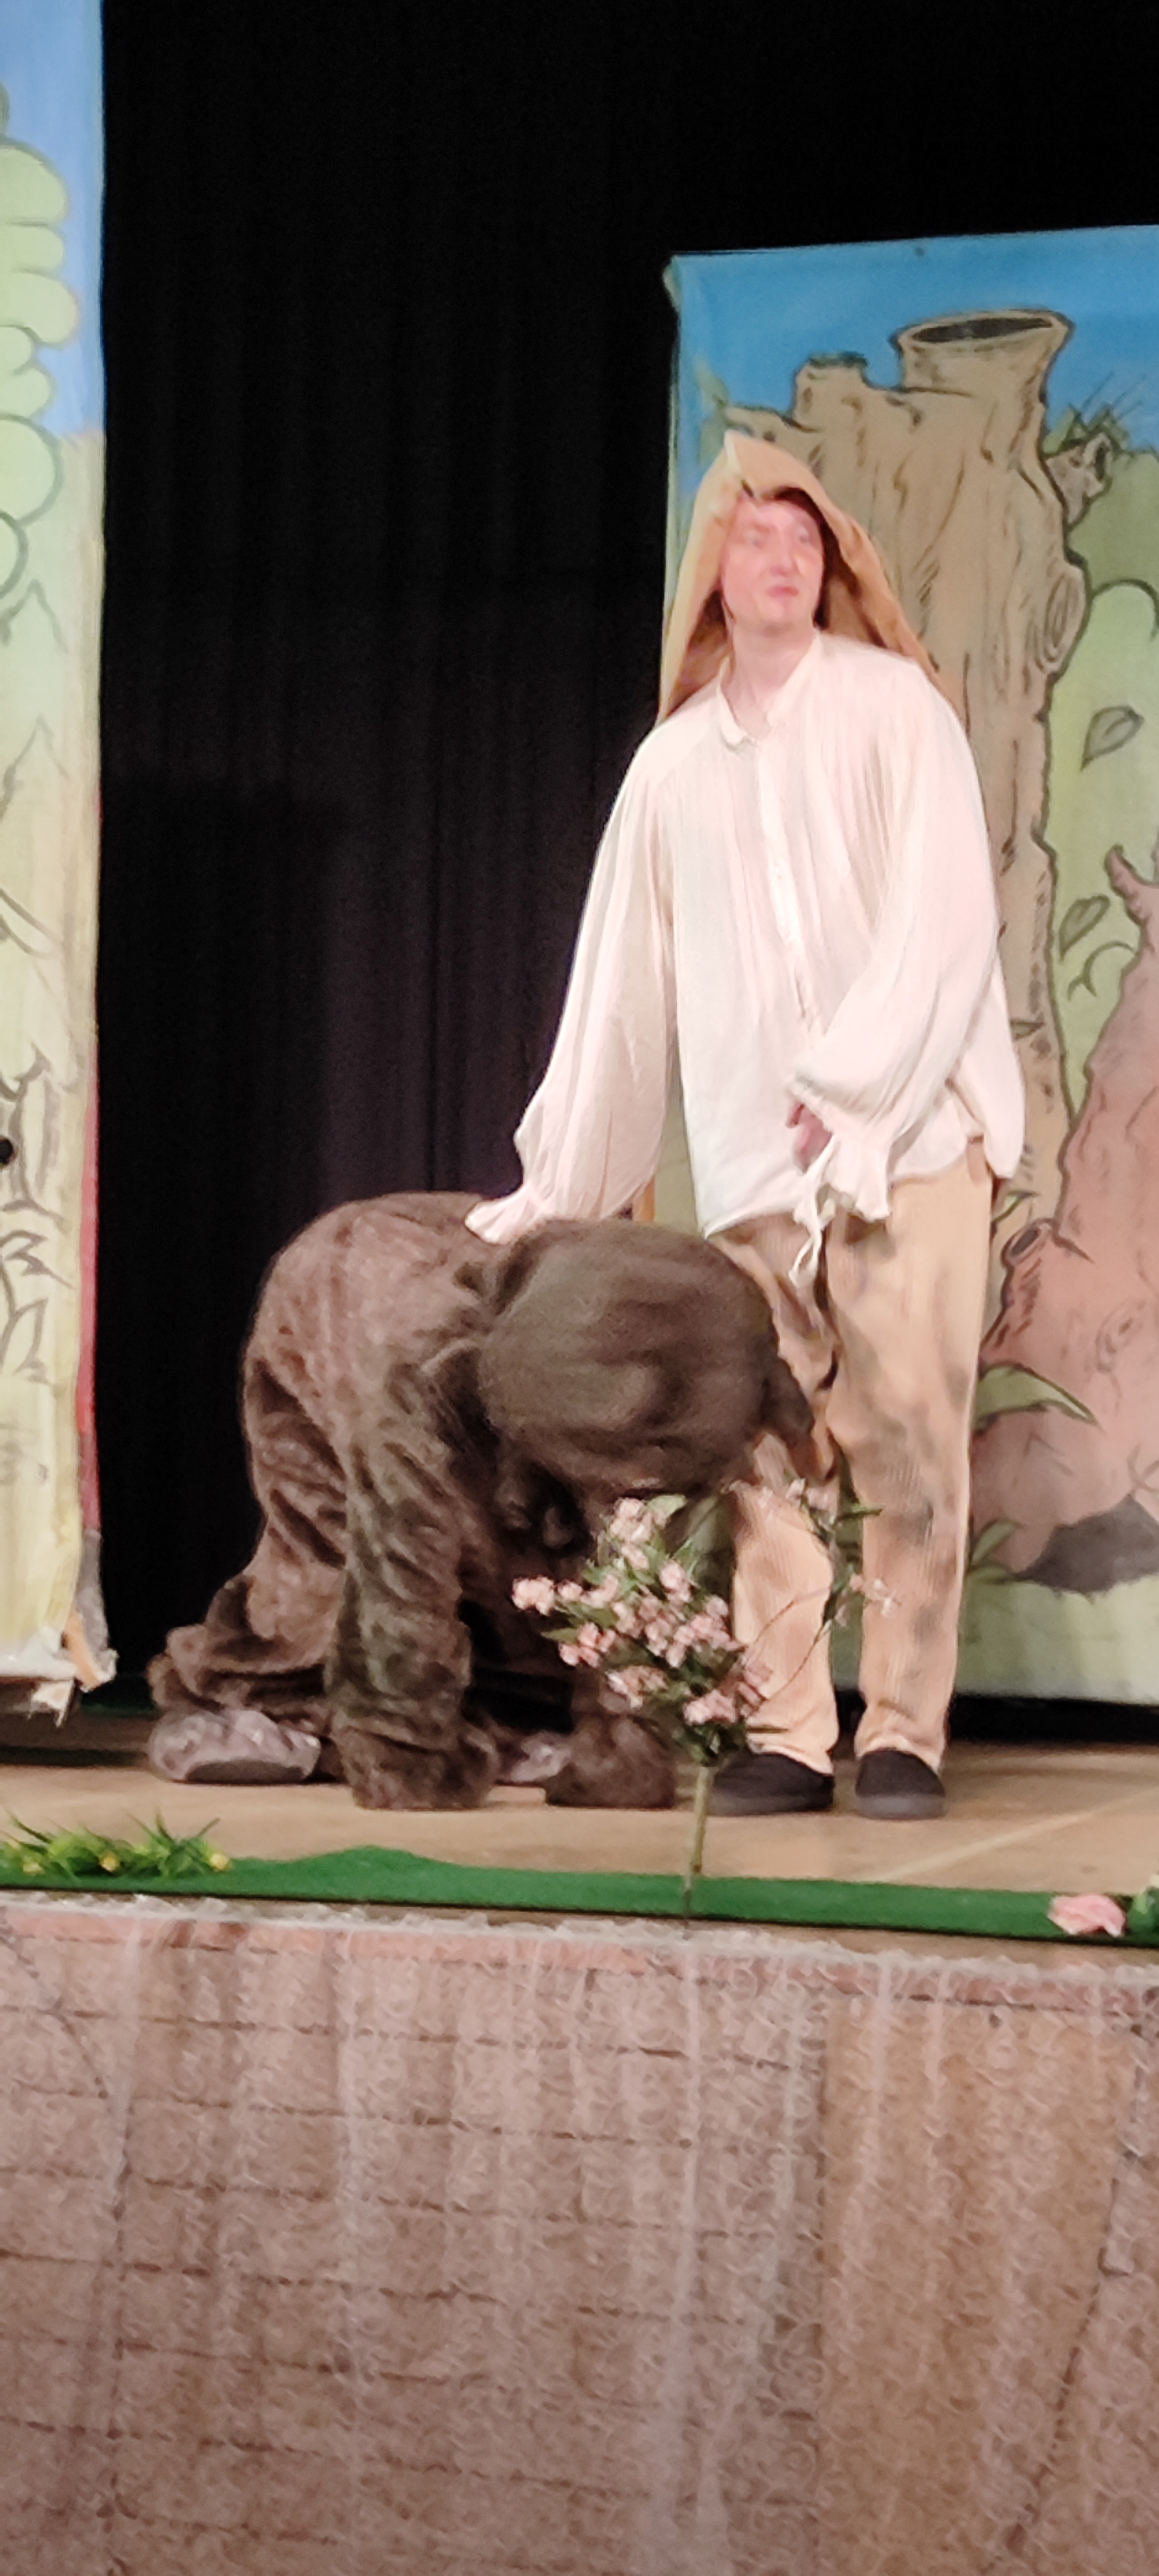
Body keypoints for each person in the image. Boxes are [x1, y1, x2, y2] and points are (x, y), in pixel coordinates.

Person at [467, 432, 1026, 1819]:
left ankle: (903, 1733)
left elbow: (946, 915)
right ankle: (783, 1726)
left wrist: (855, 1082)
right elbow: (617, 984)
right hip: (751, 1165)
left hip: (905, 1146)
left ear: (830, 567)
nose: (781, 558)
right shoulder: (674, 767)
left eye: (804, 539)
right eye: (754, 537)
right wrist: (560, 1181)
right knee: (763, 1447)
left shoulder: (896, 708)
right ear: (712, 572)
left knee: (906, 1438)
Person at [147, 1192, 810, 1807]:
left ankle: (497, 1714)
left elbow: (646, 1568)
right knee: (328, 1563)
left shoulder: (678, 1346)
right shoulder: (416, 1373)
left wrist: (625, 1747)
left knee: (567, 1575)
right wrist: (403, 1755)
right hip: (339, 1309)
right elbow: (398, 1574)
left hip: (558, 1353)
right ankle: (271, 1711)